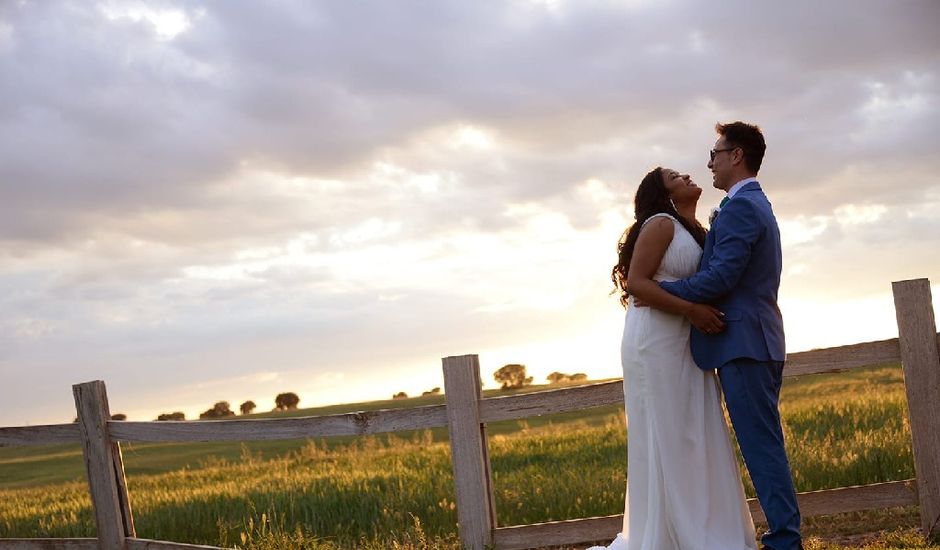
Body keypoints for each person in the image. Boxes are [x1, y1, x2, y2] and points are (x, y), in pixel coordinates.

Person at [590, 165, 758, 550]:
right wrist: (691, 311)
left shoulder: (695, 231)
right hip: (655, 340)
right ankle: (674, 534)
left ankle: (709, 527)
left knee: (696, 430)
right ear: (663, 194)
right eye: (675, 178)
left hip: (686, 341)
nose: (686, 177)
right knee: (668, 433)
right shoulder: (661, 223)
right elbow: (637, 284)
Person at [658, 121, 802, 550]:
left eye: (715, 154)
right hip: (753, 340)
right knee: (764, 444)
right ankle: (784, 536)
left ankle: (784, 542)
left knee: (762, 448)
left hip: (745, 343)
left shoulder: (741, 207)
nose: (709, 163)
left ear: (735, 155)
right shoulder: (751, 204)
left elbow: (721, 277)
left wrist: (661, 292)